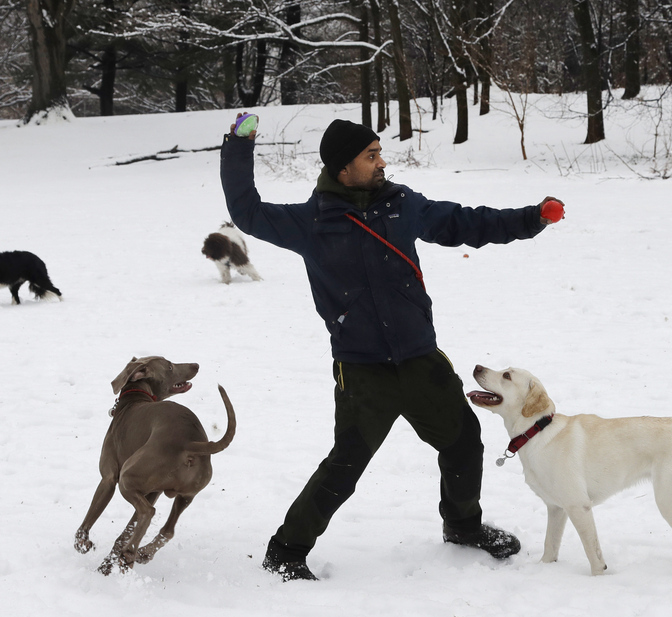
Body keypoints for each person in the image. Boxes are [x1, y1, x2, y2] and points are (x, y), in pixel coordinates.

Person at [220, 115, 564, 581]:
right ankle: (286, 550)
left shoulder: (402, 205)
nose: (382, 162)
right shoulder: (310, 221)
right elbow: (247, 210)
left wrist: (531, 218)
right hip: (363, 371)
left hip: (421, 360)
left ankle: (463, 526)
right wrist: (239, 146)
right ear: (344, 168)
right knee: (345, 465)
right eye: (371, 155)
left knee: (464, 443)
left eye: (380, 152)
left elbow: (466, 222)